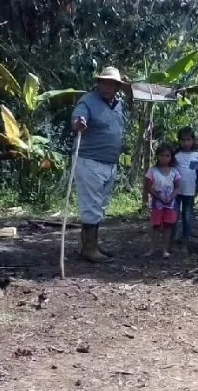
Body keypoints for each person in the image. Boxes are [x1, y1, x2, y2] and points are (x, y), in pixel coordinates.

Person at [70, 66, 129, 263]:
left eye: (111, 84)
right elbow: (78, 116)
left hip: (109, 163)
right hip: (89, 161)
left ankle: (91, 244)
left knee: (100, 206)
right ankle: (89, 249)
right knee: (91, 205)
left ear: (117, 87)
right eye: (104, 82)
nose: (107, 87)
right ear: (98, 83)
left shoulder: (118, 105)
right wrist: (79, 122)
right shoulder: (88, 100)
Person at [143, 143, 181, 259]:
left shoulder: (174, 171)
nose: (164, 158)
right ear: (157, 156)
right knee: (155, 226)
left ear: (171, 157)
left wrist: (171, 198)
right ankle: (152, 249)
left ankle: (165, 249)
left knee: (167, 226)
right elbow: (148, 187)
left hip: (170, 204)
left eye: (167, 156)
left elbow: (177, 187)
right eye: (162, 155)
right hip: (157, 204)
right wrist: (159, 198)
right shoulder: (152, 171)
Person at [174, 126, 198, 244]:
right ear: (179, 141)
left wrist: (197, 187)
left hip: (190, 190)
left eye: (188, 140)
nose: (186, 143)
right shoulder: (175, 156)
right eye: (183, 140)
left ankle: (186, 237)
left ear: (193, 141)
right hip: (176, 191)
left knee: (187, 215)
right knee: (174, 215)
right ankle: (172, 237)